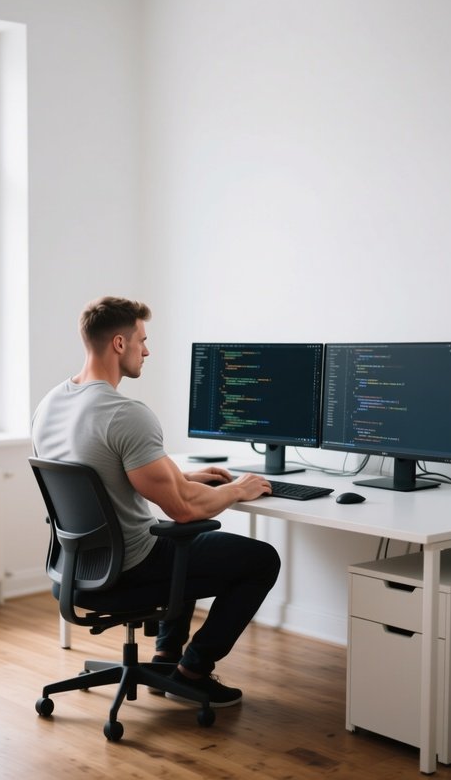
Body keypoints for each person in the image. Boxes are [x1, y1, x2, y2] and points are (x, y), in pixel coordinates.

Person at [31, 296, 281, 707]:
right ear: (119, 343)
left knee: (185, 540)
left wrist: (181, 478)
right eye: (142, 340)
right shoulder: (126, 413)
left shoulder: (50, 404)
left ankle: (166, 656)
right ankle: (193, 670)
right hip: (128, 570)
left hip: (74, 570)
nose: (146, 351)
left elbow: (105, 470)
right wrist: (238, 489)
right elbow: (183, 508)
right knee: (259, 559)